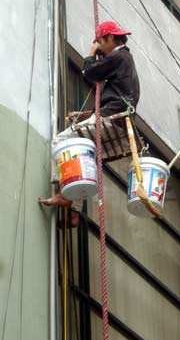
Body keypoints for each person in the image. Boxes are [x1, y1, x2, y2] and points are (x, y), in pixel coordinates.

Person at [39, 20, 140, 226]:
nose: (100, 46)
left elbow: (90, 73)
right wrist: (85, 115)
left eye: (101, 42)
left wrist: (91, 54)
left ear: (110, 38)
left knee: (60, 142)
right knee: (86, 157)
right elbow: (115, 100)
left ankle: (62, 191)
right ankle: (74, 211)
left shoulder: (120, 56)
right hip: (119, 123)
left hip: (112, 119)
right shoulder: (124, 61)